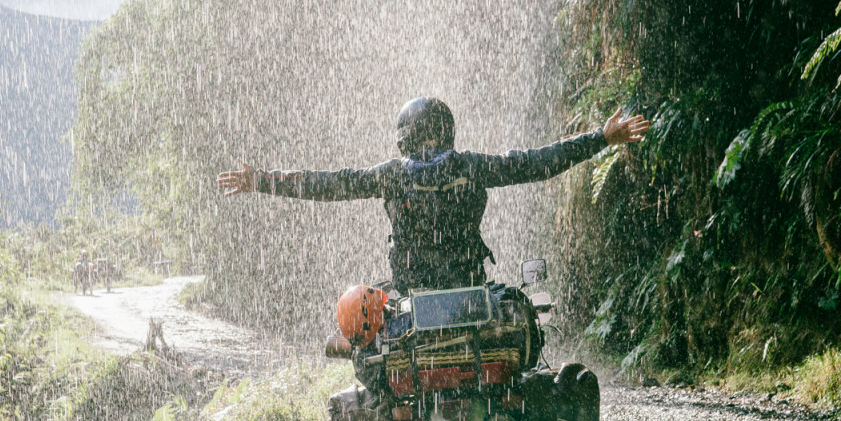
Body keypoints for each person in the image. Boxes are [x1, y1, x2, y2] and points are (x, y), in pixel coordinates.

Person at [216, 98, 649, 293]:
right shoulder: (471, 166)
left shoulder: (390, 176)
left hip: (412, 293)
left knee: (362, 337)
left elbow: (328, 184)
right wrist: (600, 138)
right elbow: (537, 162)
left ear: (403, 138)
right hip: (468, 287)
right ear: (448, 131)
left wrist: (262, 181)